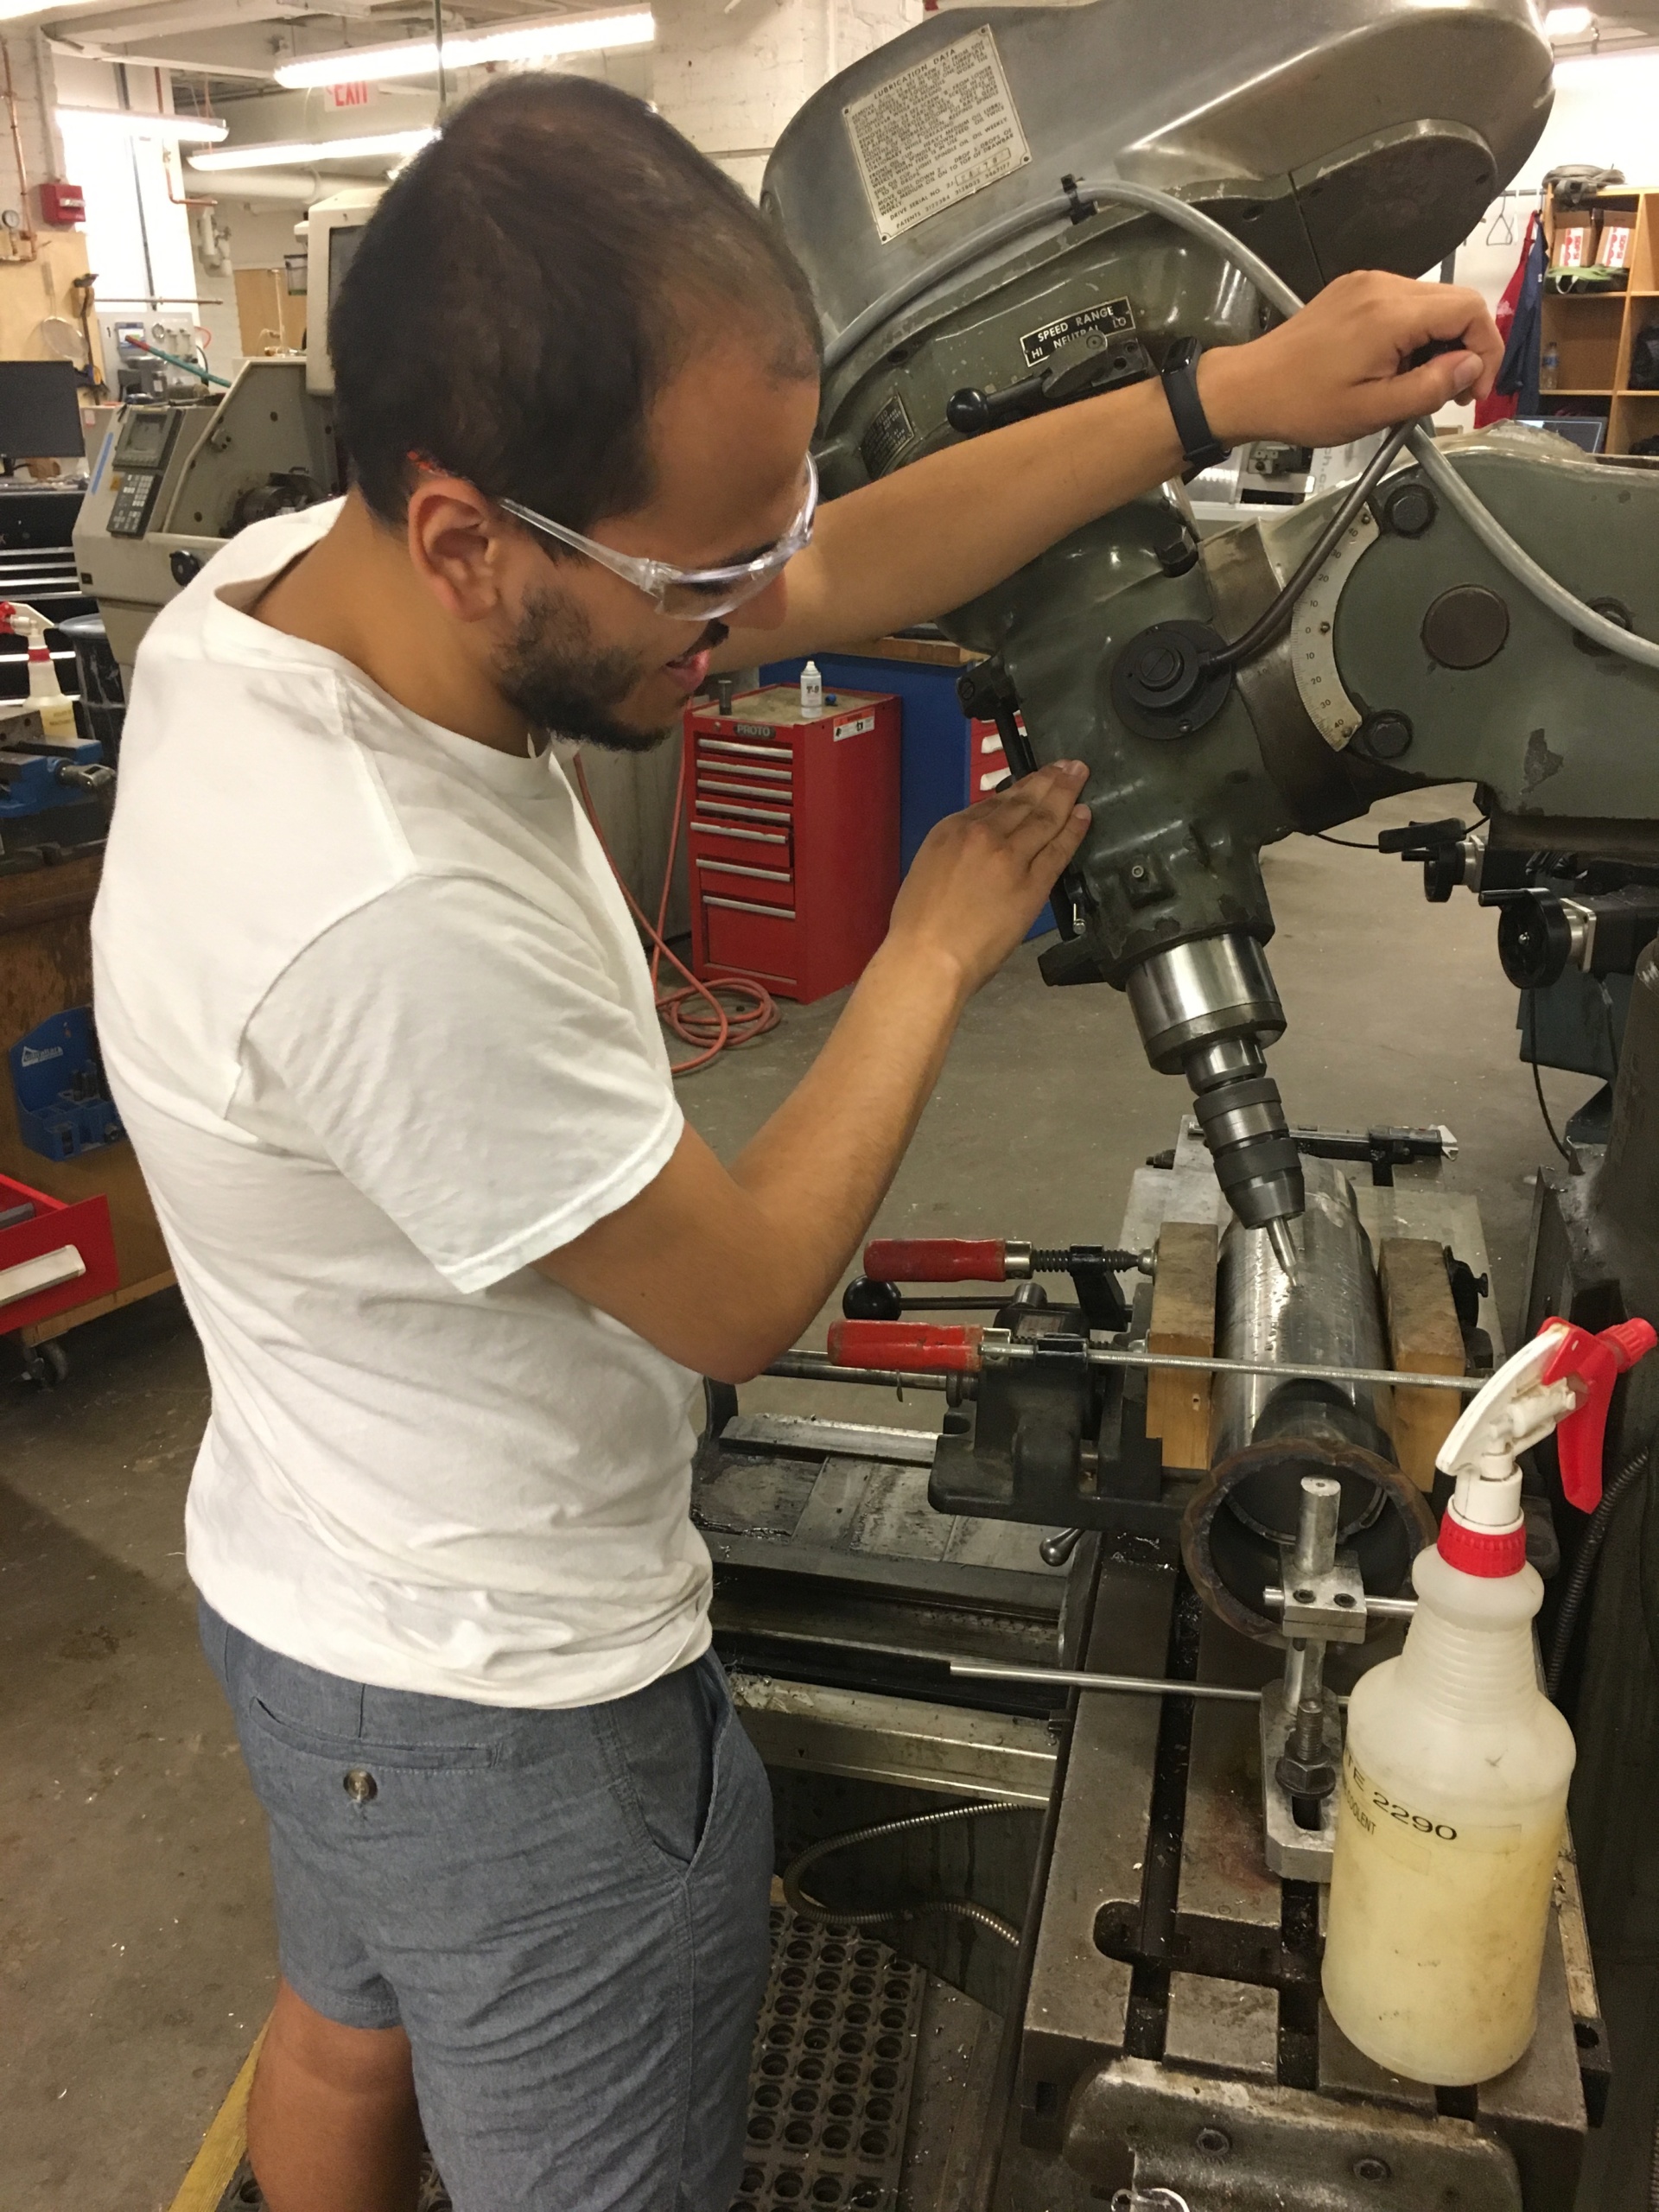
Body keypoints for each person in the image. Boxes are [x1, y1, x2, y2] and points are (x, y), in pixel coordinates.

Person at [92, 70, 1501, 2212]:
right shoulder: (381, 911)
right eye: (701, 572)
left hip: (307, 1589)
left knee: (343, 2028)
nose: (753, 609)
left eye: (756, 535)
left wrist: (1222, 394)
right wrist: (929, 946)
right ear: (473, 535)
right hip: (513, 1706)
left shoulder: (310, 581)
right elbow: (746, 1290)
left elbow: (828, 564)